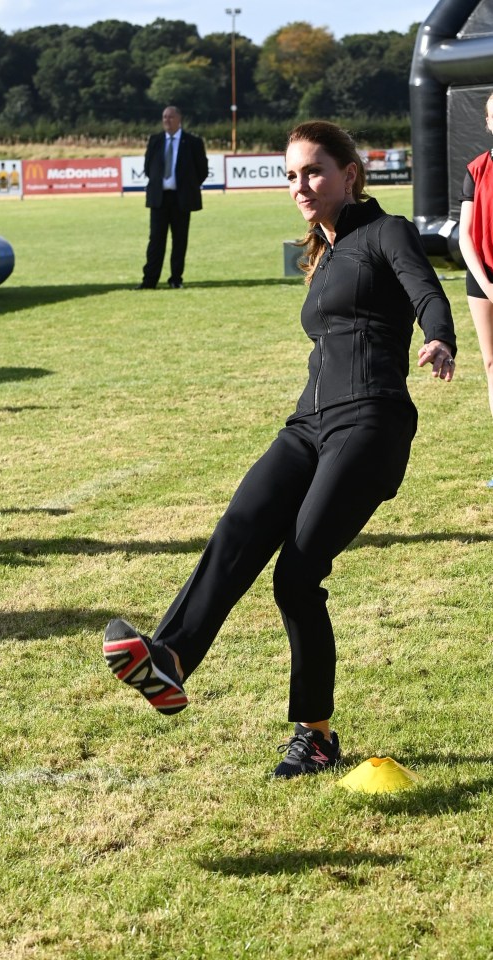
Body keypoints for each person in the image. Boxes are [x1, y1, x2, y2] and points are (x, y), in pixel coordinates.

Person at [105, 120, 457, 779]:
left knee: (296, 575)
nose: (300, 184)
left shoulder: (388, 232)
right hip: (307, 426)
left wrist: (439, 338)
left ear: (351, 174)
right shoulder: (320, 256)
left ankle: (315, 736)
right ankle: (170, 660)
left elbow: (426, 293)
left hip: (370, 422)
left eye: (314, 171)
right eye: (291, 174)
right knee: (239, 527)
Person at [458, 91, 493, 486]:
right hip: (482, 278)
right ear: (487, 123)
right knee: (491, 364)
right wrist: (486, 283)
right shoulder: (476, 168)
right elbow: (466, 236)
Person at [136, 105, 208, 289]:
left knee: (179, 241)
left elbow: (202, 171)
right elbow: (148, 168)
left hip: (181, 199)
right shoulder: (155, 140)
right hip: (159, 199)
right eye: (164, 117)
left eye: (170, 117)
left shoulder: (192, 142)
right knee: (156, 241)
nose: (166, 120)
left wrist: (186, 187)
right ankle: (149, 281)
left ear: (179, 119)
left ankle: (176, 279)